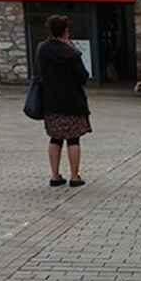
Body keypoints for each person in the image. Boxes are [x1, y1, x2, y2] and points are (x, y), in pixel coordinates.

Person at [37, 15, 91, 187]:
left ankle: (55, 175)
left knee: (55, 138)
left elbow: (38, 70)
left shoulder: (42, 49)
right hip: (72, 102)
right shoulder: (71, 53)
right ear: (65, 31)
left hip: (50, 101)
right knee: (73, 139)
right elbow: (82, 77)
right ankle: (74, 177)